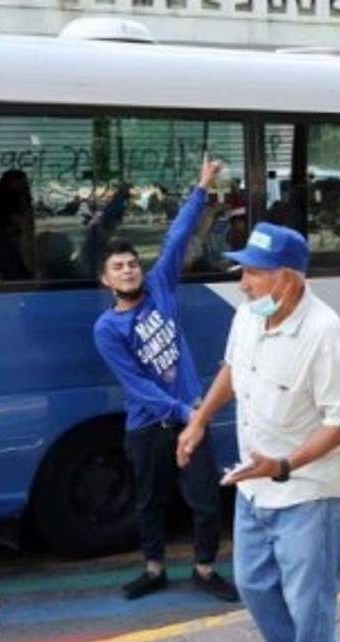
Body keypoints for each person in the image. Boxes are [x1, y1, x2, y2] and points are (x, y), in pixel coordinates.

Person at [176, 222, 340, 642]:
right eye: (243, 271)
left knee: (310, 601)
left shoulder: (324, 332)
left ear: (288, 277)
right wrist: (198, 421)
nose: (243, 282)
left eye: (254, 273)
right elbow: (232, 370)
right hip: (254, 481)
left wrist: (283, 465)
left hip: (311, 490)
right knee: (254, 585)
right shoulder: (248, 314)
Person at [92, 155, 237, 602]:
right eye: (119, 267)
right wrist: (187, 413)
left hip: (190, 417)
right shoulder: (107, 329)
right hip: (150, 425)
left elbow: (177, 237)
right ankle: (153, 569)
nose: (128, 270)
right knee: (148, 501)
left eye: (132, 263)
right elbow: (137, 387)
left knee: (205, 500)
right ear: (106, 280)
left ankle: (205, 568)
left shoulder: (159, 288)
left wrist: (201, 187)